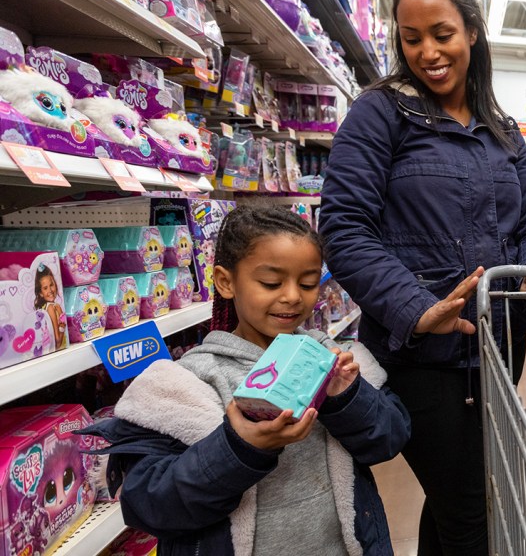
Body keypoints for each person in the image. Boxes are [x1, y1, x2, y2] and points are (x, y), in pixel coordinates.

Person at [317, 0, 526, 554]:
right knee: (470, 508)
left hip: (500, 344)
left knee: (458, 498)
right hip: (422, 355)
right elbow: (344, 228)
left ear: (472, 31)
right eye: (412, 38)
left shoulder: (502, 130)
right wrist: (418, 309)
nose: (429, 52)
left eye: (443, 34)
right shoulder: (380, 113)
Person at [82, 204, 412, 555]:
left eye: (308, 283)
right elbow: (148, 504)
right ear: (226, 282)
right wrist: (238, 448)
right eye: (271, 282)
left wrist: (347, 397)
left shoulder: (335, 358)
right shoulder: (187, 384)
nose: (292, 296)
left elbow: (390, 438)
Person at [33, 263, 65, 349]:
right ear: (40, 293)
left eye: (51, 285)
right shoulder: (51, 308)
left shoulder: (49, 307)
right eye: (45, 288)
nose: (50, 290)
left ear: (55, 284)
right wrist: (62, 328)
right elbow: (57, 341)